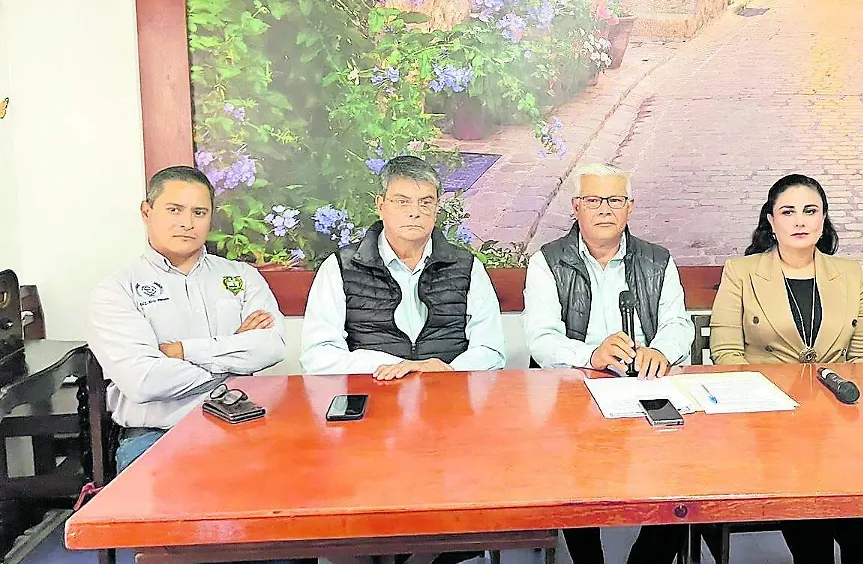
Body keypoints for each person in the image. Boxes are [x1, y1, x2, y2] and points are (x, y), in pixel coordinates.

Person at [709, 174, 863, 564]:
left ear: (823, 219)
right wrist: (769, 404)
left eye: (810, 211)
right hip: (770, 422)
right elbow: (726, 354)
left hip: (840, 418)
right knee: (807, 510)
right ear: (771, 221)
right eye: (788, 212)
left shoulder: (850, 272)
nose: (800, 221)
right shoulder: (741, 272)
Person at [522, 163, 692, 564]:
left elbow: (678, 324)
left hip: (645, 387)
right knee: (574, 473)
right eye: (594, 200)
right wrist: (591, 355)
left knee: (682, 476)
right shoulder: (548, 261)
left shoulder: (657, 260)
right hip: (573, 395)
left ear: (630, 207)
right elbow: (541, 339)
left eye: (615, 200)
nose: (604, 209)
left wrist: (660, 351)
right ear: (576, 207)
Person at [85, 166, 286, 473]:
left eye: (199, 212)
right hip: (154, 439)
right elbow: (144, 381)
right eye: (174, 210)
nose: (187, 223)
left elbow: (272, 347)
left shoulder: (242, 276)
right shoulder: (117, 289)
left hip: (241, 425)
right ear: (147, 212)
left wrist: (182, 351)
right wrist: (234, 359)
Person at [301, 155, 505, 379]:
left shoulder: (467, 267)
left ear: (437, 208)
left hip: (447, 391)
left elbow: (491, 351)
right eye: (402, 201)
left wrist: (448, 371)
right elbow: (318, 356)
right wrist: (392, 367)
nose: (415, 212)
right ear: (380, 206)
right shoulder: (340, 267)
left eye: (425, 202)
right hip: (374, 392)